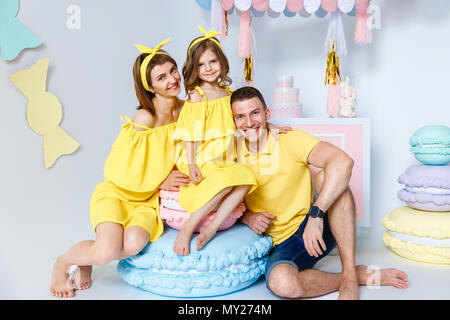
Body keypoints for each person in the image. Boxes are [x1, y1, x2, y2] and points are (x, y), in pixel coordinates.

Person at [231, 86, 409, 300]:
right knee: (282, 283)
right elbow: (222, 202)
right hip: (282, 243)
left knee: (330, 177)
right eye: (240, 116)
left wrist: (316, 215)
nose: (249, 122)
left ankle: (350, 277)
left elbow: (343, 162)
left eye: (255, 113)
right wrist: (249, 217)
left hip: (317, 228)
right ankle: (355, 276)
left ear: (267, 114)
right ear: (233, 121)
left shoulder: (288, 138)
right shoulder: (231, 152)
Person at [49, 38, 190, 298]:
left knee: (133, 245)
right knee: (106, 251)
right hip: (119, 193)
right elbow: (124, 169)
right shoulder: (145, 119)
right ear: (150, 87)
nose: (172, 79)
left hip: (147, 201)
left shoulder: (186, 111)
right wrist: (161, 180)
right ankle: (64, 261)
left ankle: (87, 258)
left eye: (172, 70)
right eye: (161, 78)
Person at [171, 26, 258, 256]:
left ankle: (212, 227)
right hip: (201, 156)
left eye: (212, 62)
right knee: (227, 181)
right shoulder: (198, 95)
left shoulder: (229, 94)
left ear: (222, 62)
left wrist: (274, 126)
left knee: (247, 178)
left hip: (223, 157)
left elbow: (244, 120)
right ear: (194, 68)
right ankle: (189, 227)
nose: (208, 68)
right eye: (201, 64)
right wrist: (191, 164)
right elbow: (191, 132)